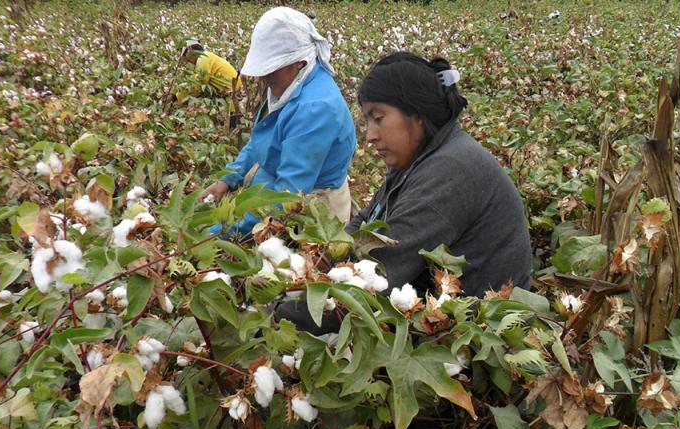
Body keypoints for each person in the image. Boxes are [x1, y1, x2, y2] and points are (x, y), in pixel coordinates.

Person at [347, 51, 532, 299]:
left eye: (378, 119)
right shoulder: (419, 158)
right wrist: (325, 253)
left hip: (475, 329)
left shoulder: (451, 170)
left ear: (418, 116)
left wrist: (280, 314)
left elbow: (377, 275)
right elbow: (367, 220)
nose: (369, 135)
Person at [200, 7, 356, 237]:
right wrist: (228, 178)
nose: (264, 76)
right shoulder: (287, 85)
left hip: (311, 215)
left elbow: (287, 197)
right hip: (272, 193)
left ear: (299, 63)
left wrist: (220, 235)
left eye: (271, 69)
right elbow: (260, 140)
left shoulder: (315, 109)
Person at [177, 40, 241, 102]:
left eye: (188, 60)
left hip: (235, 95)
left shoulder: (203, 58)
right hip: (236, 92)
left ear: (190, 49)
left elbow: (199, 84)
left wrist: (176, 97)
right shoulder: (208, 56)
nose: (190, 62)